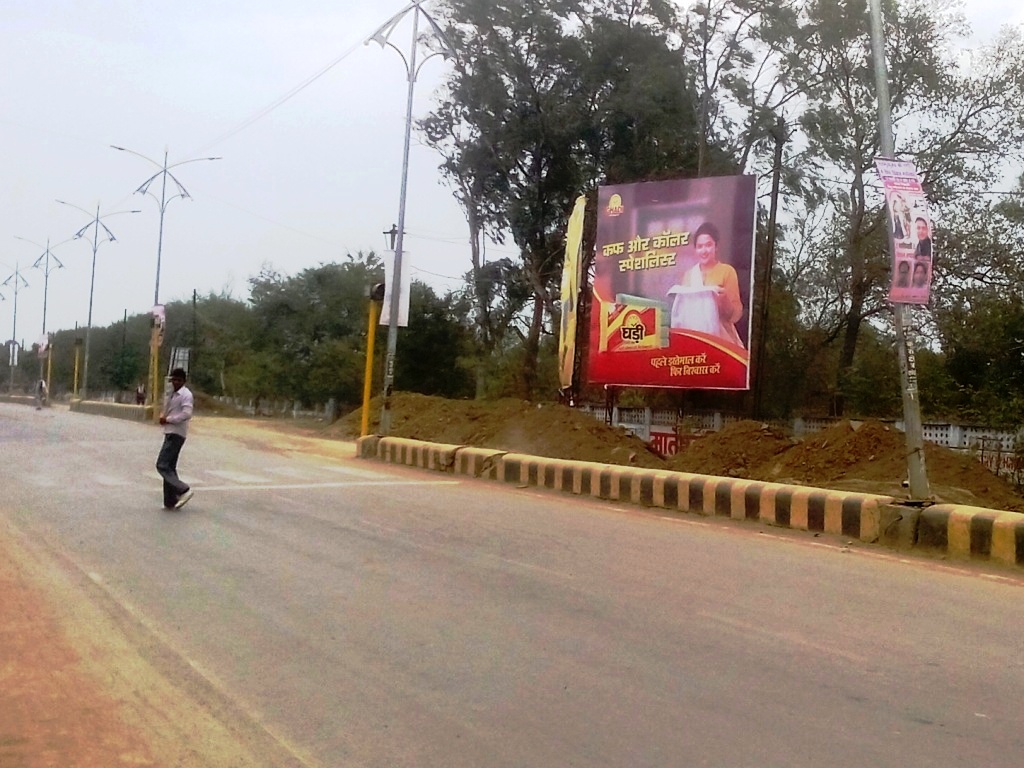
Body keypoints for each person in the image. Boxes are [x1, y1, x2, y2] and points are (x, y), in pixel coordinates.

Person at [668, 221, 744, 347]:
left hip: (723, 344)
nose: (704, 250)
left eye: (708, 245)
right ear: (695, 249)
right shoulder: (689, 276)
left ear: (716, 246)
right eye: (700, 246)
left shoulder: (727, 271)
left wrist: (723, 301)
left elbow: (735, 315)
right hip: (695, 343)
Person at [156, 367, 194, 510]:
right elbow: (166, 409)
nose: (176, 382)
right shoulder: (172, 393)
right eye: (174, 380)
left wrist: (169, 419)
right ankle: (170, 500)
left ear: (184, 381)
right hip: (170, 431)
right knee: (170, 467)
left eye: (179, 380)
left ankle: (183, 489)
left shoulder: (185, 394)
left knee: (162, 465)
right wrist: (163, 417)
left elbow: (187, 414)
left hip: (177, 433)